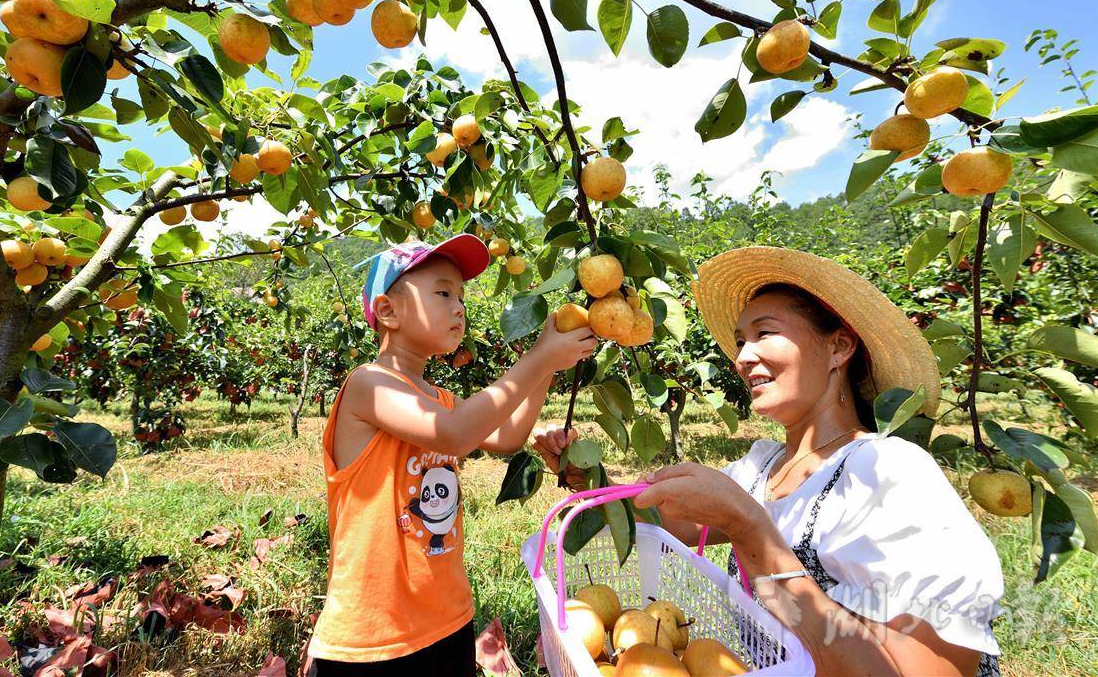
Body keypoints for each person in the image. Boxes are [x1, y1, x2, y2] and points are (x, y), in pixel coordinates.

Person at [535, 246, 1004, 677]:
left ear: (839, 347)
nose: (743, 356)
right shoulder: (764, 467)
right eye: (740, 340)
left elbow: (930, 670)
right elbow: (670, 521)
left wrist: (751, 530)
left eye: (765, 334)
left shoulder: (886, 474)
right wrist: (592, 480)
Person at [307, 233, 597, 676]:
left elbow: (506, 435)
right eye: (443, 292)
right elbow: (455, 434)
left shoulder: (438, 397)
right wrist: (538, 358)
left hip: (446, 621)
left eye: (460, 296)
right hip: (374, 637)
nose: (459, 306)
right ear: (388, 311)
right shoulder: (369, 384)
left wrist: (549, 366)